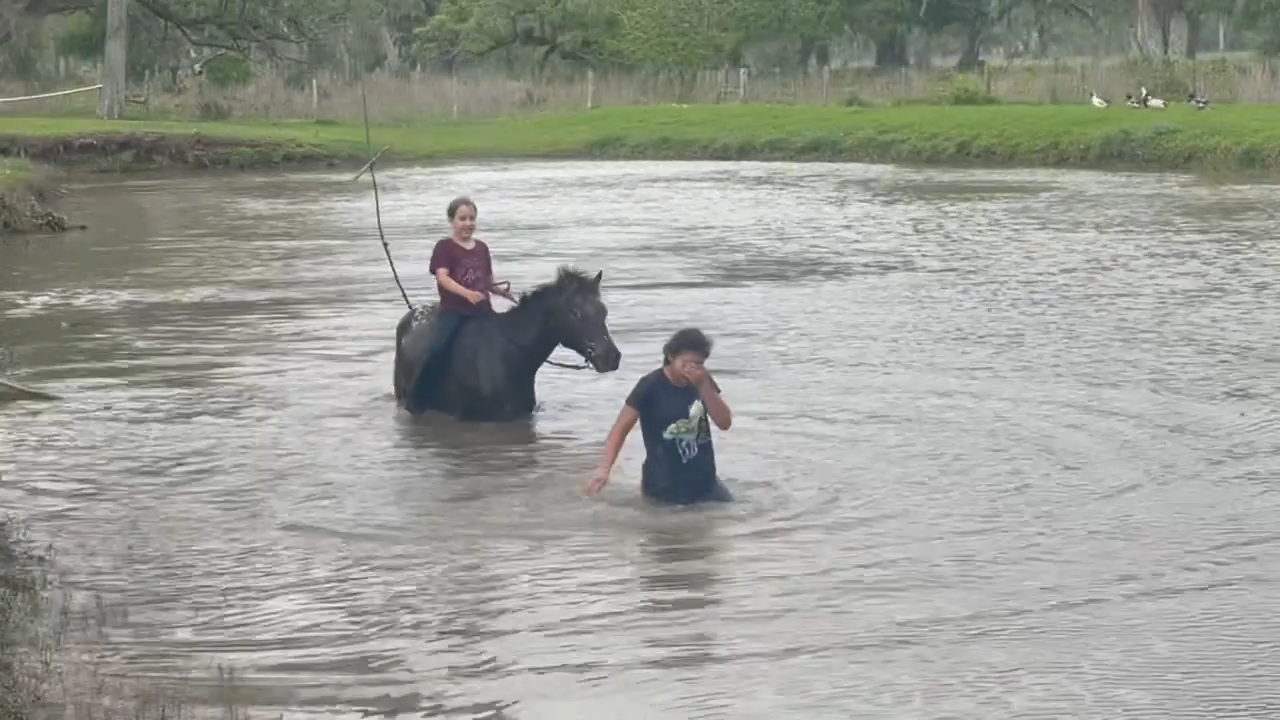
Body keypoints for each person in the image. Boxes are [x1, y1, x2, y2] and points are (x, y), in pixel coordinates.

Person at [586, 328, 734, 505]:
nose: (692, 369)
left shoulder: (702, 380)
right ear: (671, 356)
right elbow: (619, 430)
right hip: (664, 485)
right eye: (686, 363)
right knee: (666, 529)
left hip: (705, 483)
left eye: (699, 364)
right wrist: (604, 469)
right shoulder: (650, 386)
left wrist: (703, 387)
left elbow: (724, 423)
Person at [412, 197, 513, 405]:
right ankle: (418, 398)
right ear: (452, 221)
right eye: (462, 219)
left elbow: (486, 280)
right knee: (436, 350)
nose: (468, 223)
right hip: (455, 310)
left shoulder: (482, 248)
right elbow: (443, 277)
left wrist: (499, 291)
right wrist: (466, 294)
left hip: (483, 311)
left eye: (471, 218)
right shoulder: (444, 247)